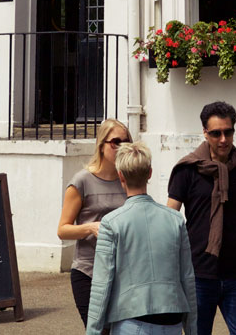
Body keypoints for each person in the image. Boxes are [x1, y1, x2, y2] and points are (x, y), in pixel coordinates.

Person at [167, 102, 236, 335]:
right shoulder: (187, 170)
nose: (223, 139)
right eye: (216, 133)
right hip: (198, 274)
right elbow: (170, 219)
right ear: (204, 133)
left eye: (228, 132)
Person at [86, 140, 197, 335]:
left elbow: (102, 284)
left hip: (131, 319)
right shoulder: (175, 220)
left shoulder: (111, 223)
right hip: (172, 320)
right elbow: (187, 278)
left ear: (121, 176)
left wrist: (93, 331)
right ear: (150, 173)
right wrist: (191, 329)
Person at [58, 117, 131, 325]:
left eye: (126, 142)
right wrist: (90, 227)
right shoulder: (82, 181)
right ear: (101, 145)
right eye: (116, 142)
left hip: (123, 271)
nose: (121, 147)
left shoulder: (128, 179)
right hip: (89, 271)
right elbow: (62, 230)